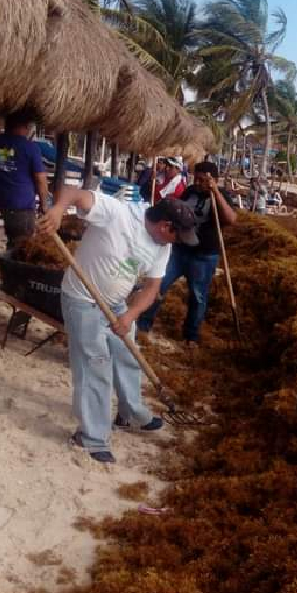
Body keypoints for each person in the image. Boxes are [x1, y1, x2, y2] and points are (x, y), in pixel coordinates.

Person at [38, 187, 198, 463]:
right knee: (94, 364)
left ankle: (131, 413)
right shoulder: (118, 213)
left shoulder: (163, 246)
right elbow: (74, 193)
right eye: (178, 235)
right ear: (165, 226)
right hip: (82, 299)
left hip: (118, 305)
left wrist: (129, 316)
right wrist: (58, 209)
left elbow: (152, 288)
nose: (179, 242)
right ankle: (91, 438)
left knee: (126, 356)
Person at [138, 161, 237, 345]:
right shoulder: (190, 191)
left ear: (214, 180)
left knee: (198, 296)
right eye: (196, 179)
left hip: (204, 255)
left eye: (202, 180)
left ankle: (190, 335)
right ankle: (143, 324)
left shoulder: (222, 195)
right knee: (160, 284)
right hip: (179, 251)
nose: (198, 183)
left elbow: (231, 219)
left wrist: (215, 191)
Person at [0, 109, 49, 249]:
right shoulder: (30, 148)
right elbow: (41, 179)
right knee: (23, 246)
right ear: (25, 126)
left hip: (4, 202)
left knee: (13, 241)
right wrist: (44, 204)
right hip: (22, 205)